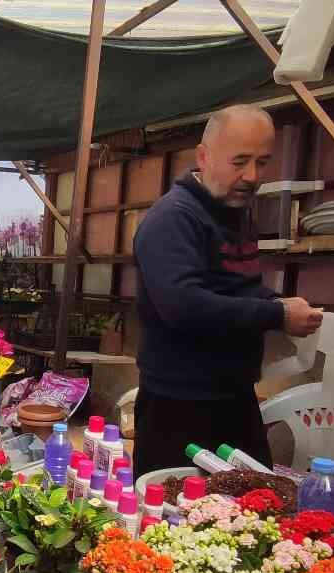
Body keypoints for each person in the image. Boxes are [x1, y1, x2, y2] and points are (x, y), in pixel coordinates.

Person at [131, 104, 323, 478]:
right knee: (175, 520)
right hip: (180, 405)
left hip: (233, 397)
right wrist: (278, 315)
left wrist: (276, 302)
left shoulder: (234, 213)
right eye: (240, 162)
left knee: (257, 511)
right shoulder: (173, 219)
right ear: (203, 156)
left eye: (262, 163)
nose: (251, 176)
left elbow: (239, 287)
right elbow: (184, 306)